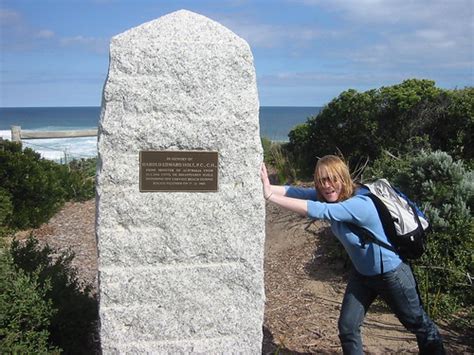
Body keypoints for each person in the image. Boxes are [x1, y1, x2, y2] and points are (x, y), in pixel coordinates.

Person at [260, 155, 445, 355]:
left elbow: (320, 211)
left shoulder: (359, 203)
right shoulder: (334, 195)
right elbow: (300, 192)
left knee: (419, 325)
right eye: (322, 181)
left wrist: (270, 197)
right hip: (362, 275)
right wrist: (265, 185)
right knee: (347, 328)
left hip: (391, 275)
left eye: (332, 179)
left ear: (344, 179)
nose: (327, 186)